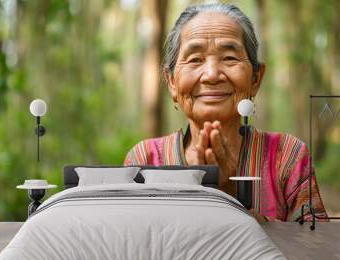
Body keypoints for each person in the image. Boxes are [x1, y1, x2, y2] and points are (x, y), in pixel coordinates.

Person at [124, 3, 327, 222]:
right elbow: (128, 246)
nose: (211, 75)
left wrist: (239, 210)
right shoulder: (145, 160)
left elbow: (318, 248)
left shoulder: (286, 156)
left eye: (230, 58)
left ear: (255, 79)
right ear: (172, 82)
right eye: (195, 59)